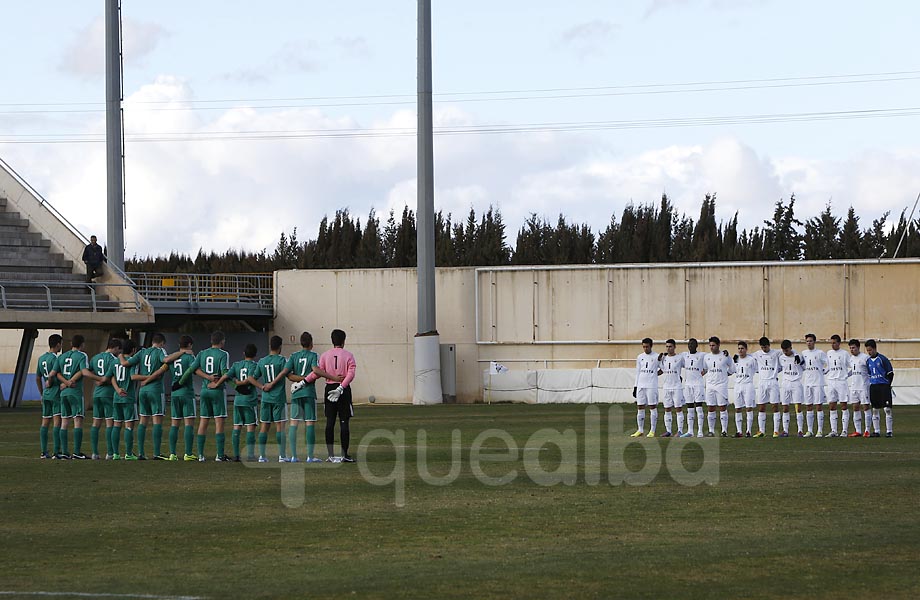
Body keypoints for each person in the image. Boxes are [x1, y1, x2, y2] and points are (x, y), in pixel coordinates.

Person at [286, 332, 340, 463]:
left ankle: (294, 456)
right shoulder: (314, 355)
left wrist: (299, 380)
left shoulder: (293, 356)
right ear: (311, 343)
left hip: (296, 393)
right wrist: (332, 377)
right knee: (309, 423)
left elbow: (288, 375)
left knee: (294, 423)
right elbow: (316, 370)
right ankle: (310, 456)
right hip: (308, 392)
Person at [308, 329, 357, 462]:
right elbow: (351, 374)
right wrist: (341, 387)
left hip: (329, 387)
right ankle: (344, 455)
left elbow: (317, 373)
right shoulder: (349, 355)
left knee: (330, 422)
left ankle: (330, 455)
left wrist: (304, 381)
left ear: (332, 340)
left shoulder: (324, 355)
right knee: (344, 421)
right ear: (343, 341)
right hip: (343, 389)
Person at [181, 331, 231, 461]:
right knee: (219, 422)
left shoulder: (202, 353)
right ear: (222, 341)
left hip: (204, 390)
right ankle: (219, 455)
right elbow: (225, 372)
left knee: (204, 421)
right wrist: (217, 383)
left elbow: (193, 369)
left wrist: (181, 382)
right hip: (217, 391)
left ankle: (201, 455)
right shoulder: (223, 354)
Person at [212, 343, 259, 462]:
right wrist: (241, 383)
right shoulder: (255, 365)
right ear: (255, 355)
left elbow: (226, 376)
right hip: (249, 399)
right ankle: (250, 455)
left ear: (244, 353)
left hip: (238, 400)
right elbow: (250, 379)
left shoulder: (236, 365)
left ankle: (237, 455)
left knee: (237, 427)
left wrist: (217, 384)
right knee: (250, 427)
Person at [249, 336, 290, 463]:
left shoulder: (262, 361)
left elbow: (251, 378)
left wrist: (262, 386)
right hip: (278, 398)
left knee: (264, 426)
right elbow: (287, 373)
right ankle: (282, 456)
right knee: (280, 426)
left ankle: (262, 456)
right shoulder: (282, 360)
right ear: (280, 347)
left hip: (266, 398)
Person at [132, 333, 170, 460]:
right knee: (157, 421)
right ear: (162, 343)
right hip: (155, 389)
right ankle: (157, 453)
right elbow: (165, 361)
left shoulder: (142, 352)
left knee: (143, 421)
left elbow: (129, 363)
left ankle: (141, 453)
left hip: (142, 391)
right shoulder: (160, 351)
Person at [86, 338, 122, 459]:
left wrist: (96, 379)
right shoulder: (114, 359)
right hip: (109, 393)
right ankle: (110, 453)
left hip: (97, 394)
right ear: (116, 348)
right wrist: (102, 380)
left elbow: (87, 371)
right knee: (109, 423)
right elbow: (110, 377)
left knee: (96, 423)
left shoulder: (95, 357)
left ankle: (95, 453)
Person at [55, 334, 89, 459]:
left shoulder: (62, 356)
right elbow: (83, 371)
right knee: (78, 420)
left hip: (64, 393)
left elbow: (56, 373)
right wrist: (70, 382)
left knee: (64, 422)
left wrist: (64, 382)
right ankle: (76, 452)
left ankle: (64, 452)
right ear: (82, 344)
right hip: (75, 392)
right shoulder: (82, 355)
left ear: (71, 344)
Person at [165, 335, 198, 460]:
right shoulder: (189, 357)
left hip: (175, 394)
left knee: (175, 423)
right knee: (188, 423)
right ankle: (188, 453)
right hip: (187, 393)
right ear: (190, 345)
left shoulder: (173, 358)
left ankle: (172, 453)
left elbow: (165, 363)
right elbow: (194, 370)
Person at [109, 339, 143, 460]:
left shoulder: (115, 361)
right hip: (128, 397)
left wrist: (117, 389)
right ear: (134, 350)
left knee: (117, 424)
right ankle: (128, 453)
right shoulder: (132, 362)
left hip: (117, 397)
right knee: (129, 425)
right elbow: (133, 377)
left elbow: (111, 376)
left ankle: (115, 454)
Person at [36, 334, 63, 459]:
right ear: (57, 344)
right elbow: (54, 375)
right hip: (55, 392)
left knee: (45, 422)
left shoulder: (41, 358)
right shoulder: (56, 359)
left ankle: (43, 451)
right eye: (61, 344)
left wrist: (41, 393)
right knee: (57, 422)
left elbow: (37, 377)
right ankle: (56, 452)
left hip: (46, 394)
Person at [701, 336, 734, 437]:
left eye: (713, 345)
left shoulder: (725, 355)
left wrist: (726, 374)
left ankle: (724, 430)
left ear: (718, 345)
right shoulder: (706, 357)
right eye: (710, 345)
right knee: (711, 407)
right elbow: (705, 369)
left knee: (722, 407)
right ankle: (711, 430)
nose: (711, 347)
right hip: (710, 385)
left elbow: (732, 367)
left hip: (721, 385)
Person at [751, 337, 782, 437]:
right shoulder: (757, 354)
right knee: (761, 406)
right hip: (762, 382)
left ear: (769, 345)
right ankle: (761, 431)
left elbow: (790, 350)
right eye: (762, 347)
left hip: (773, 381)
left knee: (774, 406)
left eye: (765, 347)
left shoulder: (776, 353)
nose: (764, 349)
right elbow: (746, 357)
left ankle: (776, 431)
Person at [630, 338, 661, 438]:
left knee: (652, 407)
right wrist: (635, 386)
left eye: (647, 346)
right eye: (644, 346)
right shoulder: (640, 357)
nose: (645, 348)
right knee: (640, 407)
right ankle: (640, 430)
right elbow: (638, 372)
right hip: (641, 385)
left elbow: (663, 369)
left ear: (651, 346)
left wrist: (654, 375)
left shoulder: (656, 357)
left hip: (651, 385)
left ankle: (652, 431)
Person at [865, 339, 894, 438]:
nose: (869, 352)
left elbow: (890, 373)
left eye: (870, 350)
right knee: (875, 409)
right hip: (874, 387)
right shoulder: (868, 361)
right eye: (867, 350)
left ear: (874, 348)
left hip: (884, 386)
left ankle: (889, 431)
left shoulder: (882, 359)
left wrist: (887, 384)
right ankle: (876, 431)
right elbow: (869, 374)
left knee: (887, 409)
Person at [801, 333, 829, 437]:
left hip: (818, 383)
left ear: (814, 342)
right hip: (807, 382)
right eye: (807, 341)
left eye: (811, 341)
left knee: (818, 406)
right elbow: (802, 365)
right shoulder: (803, 353)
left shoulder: (820, 353)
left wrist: (824, 371)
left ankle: (820, 430)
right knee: (808, 406)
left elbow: (828, 363)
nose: (809, 343)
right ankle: (809, 430)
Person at [657, 339, 686, 437]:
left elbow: (688, 366)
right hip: (666, 387)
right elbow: (661, 370)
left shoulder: (680, 358)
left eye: (670, 346)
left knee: (678, 408)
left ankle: (680, 431)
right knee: (667, 409)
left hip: (677, 386)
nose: (668, 348)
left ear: (674, 347)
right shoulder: (663, 358)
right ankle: (668, 431)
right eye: (667, 346)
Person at [778, 340, 805, 437]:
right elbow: (779, 368)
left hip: (796, 383)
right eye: (784, 350)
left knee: (798, 407)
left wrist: (800, 361)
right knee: (785, 407)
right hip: (785, 383)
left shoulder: (798, 356)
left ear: (791, 347)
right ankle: (785, 430)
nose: (785, 352)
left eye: (787, 350)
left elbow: (804, 366)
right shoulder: (781, 358)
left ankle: (800, 430)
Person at [825, 334, 850, 437]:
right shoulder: (829, 353)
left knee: (843, 405)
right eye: (831, 343)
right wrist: (822, 371)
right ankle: (834, 430)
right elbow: (828, 367)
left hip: (841, 382)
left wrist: (846, 376)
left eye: (834, 342)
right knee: (832, 405)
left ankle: (844, 430)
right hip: (831, 381)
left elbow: (852, 366)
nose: (832, 345)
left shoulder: (844, 354)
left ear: (839, 343)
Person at [681, 338, 706, 437]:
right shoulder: (684, 355)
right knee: (690, 408)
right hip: (688, 385)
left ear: (696, 346)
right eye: (689, 344)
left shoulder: (702, 356)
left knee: (699, 407)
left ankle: (700, 431)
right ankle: (690, 431)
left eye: (692, 344)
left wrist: (703, 373)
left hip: (698, 385)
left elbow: (709, 363)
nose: (690, 345)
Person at [732, 341, 759, 437]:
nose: (740, 350)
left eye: (742, 348)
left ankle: (748, 431)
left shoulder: (751, 360)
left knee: (748, 407)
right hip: (738, 385)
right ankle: (739, 431)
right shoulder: (735, 360)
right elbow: (731, 371)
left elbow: (757, 369)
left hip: (748, 385)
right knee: (738, 408)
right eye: (739, 348)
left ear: (746, 349)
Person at [846, 339, 872, 437]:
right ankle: (858, 430)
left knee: (865, 407)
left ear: (858, 347)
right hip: (854, 386)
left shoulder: (865, 358)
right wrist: (845, 375)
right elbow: (852, 370)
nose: (852, 350)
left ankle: (867, 430)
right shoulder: (851, 359)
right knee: (855, 407)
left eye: (853, 348)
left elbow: (870, 371)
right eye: (850, 348)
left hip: (863, 386)